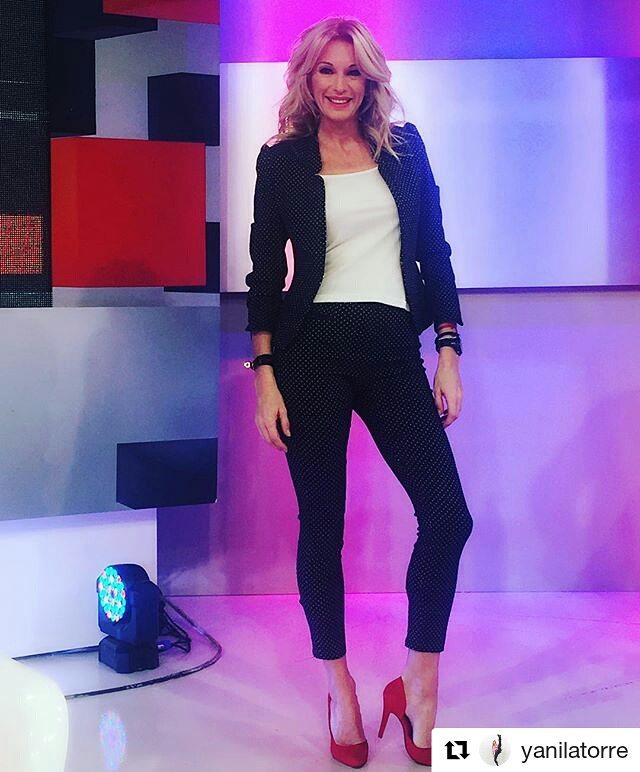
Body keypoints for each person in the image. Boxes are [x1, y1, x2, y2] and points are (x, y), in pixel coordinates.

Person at [244, 16, 473, 768]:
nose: (340, 84)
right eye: (326, 70)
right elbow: (263, 273)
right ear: (307, 78)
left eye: (353, 71)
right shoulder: (281, 160)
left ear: (370, 78)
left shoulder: (404, 150)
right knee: (323, 526)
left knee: (448, 515)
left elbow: (435, 251)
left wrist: (448, 352)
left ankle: (418, 682)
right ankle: (339, 687)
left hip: (390, 347)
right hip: (309, 352)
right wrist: (265, 374)